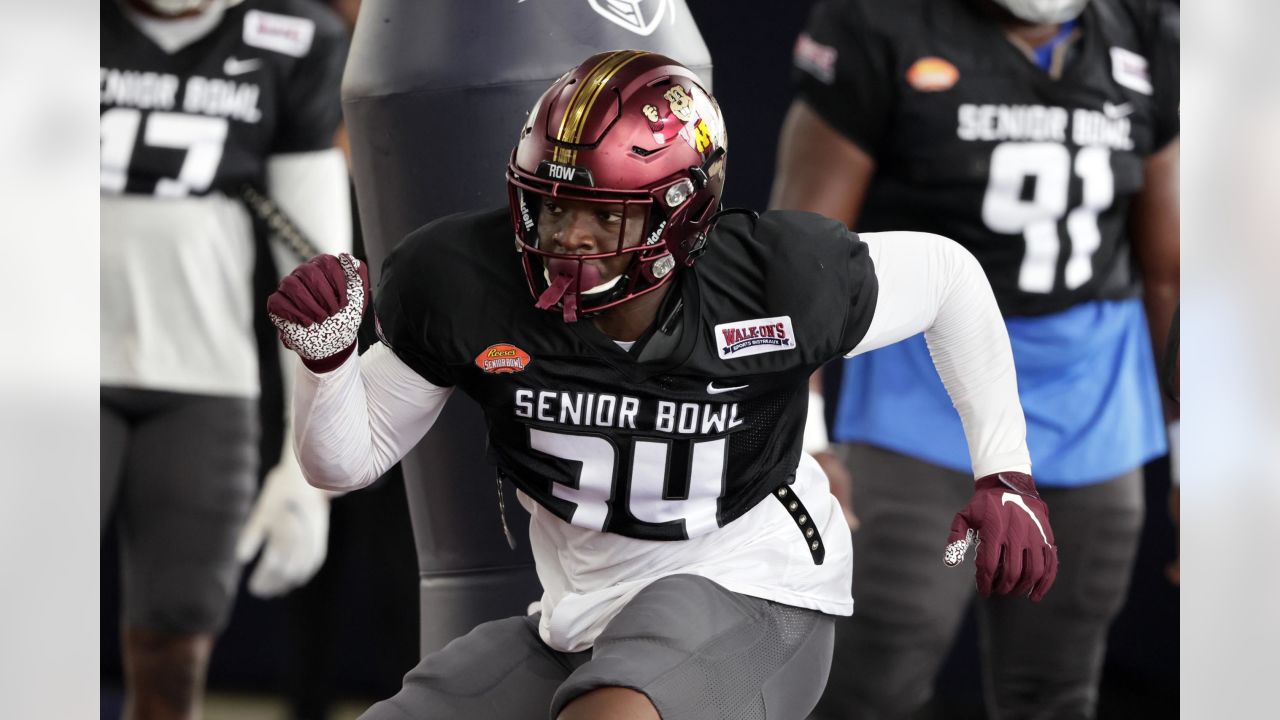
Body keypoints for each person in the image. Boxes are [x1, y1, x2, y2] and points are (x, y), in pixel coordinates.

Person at [267, 50, 1057, 720]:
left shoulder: (776, 279)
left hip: (752, 581)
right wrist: (326, 362)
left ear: (682, 215)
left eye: (603, 216)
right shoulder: (464, 280)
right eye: (551, 208)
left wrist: (1004, 468)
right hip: (580, 612)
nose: (569, 237)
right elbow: (345, 461)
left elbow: (950, 278)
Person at [771, 0, 1179, 717]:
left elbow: (1173, 273)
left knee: (1055, 687)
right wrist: (806, 440)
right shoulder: (883, 22)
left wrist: (1197, 456)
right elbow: (802, 257)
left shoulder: (1147, 29)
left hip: (1089, 408)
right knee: (882, 662)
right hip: (924, 404)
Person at [100, 1, 350, 717]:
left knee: (175, 644)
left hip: (205, 381)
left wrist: (312, 472)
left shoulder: (293, 34)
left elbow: (316, 273)